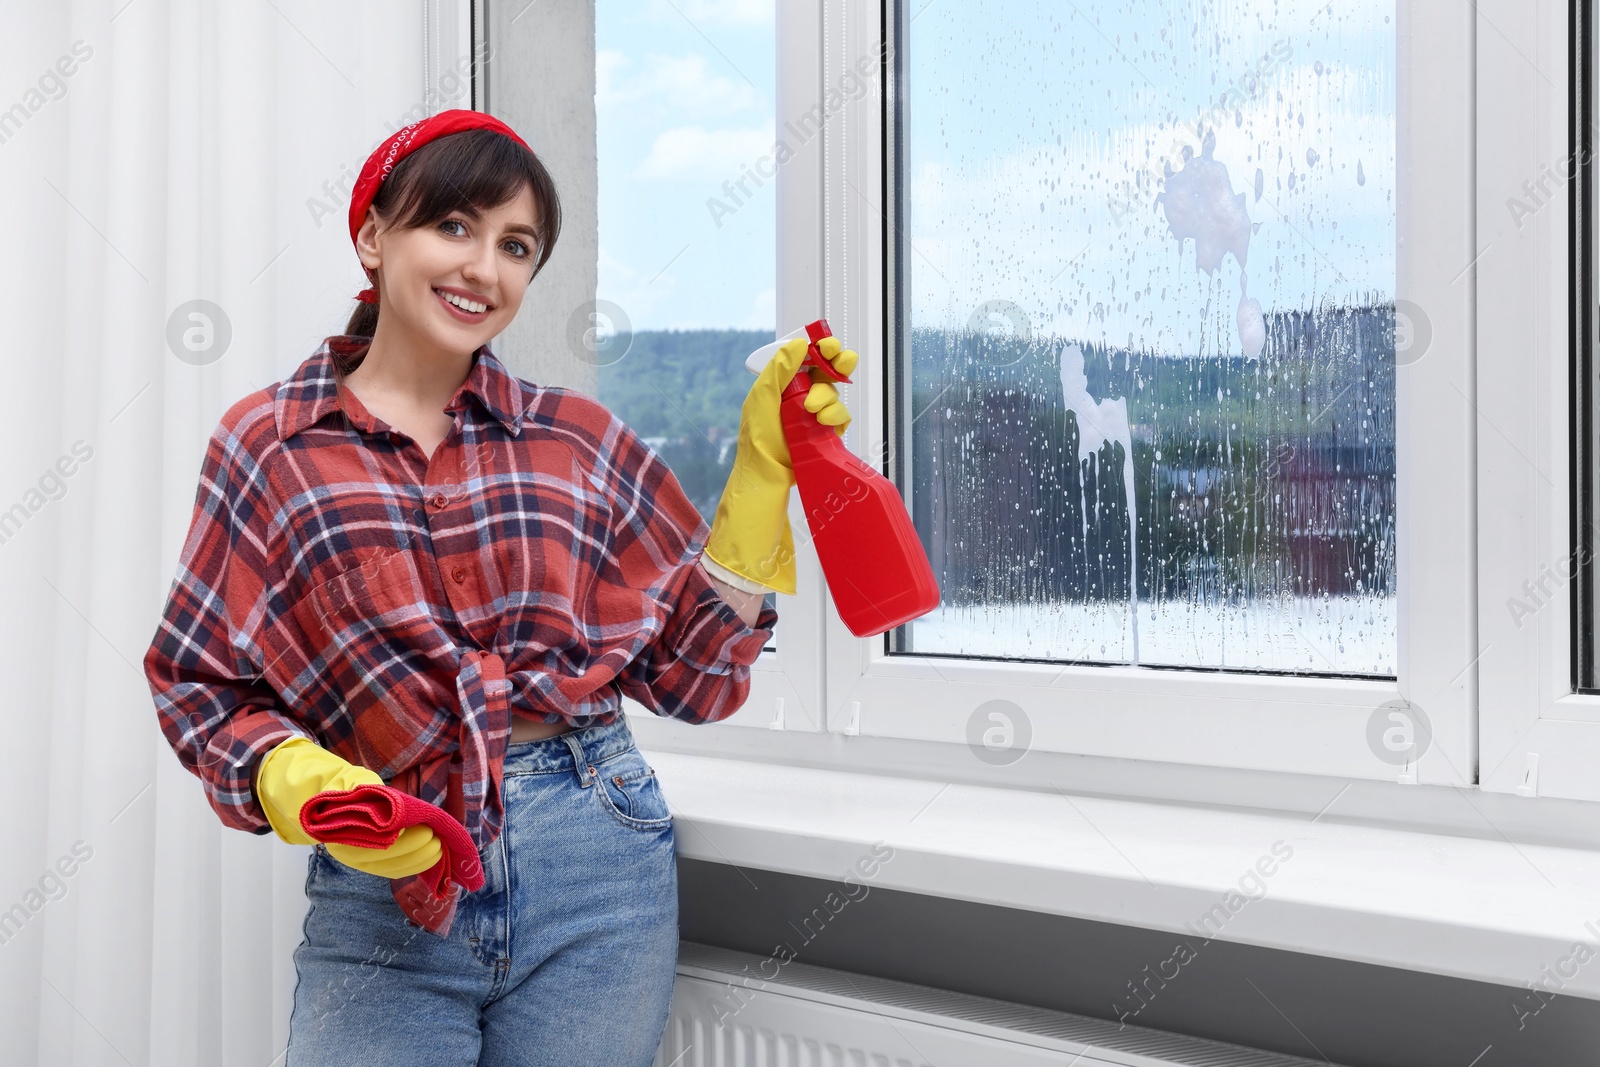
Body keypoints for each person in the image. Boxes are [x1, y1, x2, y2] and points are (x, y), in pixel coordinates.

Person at [142, 108, 856, 1066]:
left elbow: (695, 679)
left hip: (598, 852)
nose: (484, 267)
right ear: (373, 236)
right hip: (390, 873)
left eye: (516, 245)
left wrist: (762, 481)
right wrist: (291, 776)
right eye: (454, 226)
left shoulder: (578, 441)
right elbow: (197, 683)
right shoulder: (268, 447)